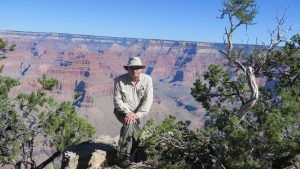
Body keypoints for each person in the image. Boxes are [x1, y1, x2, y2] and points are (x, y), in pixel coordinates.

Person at [113, 57, 153, 167]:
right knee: (129, 124)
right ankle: (123, 157)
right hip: (121, 111)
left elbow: (148, 100)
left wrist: (137, 115)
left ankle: (132, 154)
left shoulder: (147, 80)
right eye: (132, 68)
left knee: (136, 133)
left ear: (141, 69)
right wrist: (128, 113)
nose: (134, 70)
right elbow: (117, 101)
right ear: (128, 69)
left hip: (138, 113)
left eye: (137, 68)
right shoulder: (119, 80)